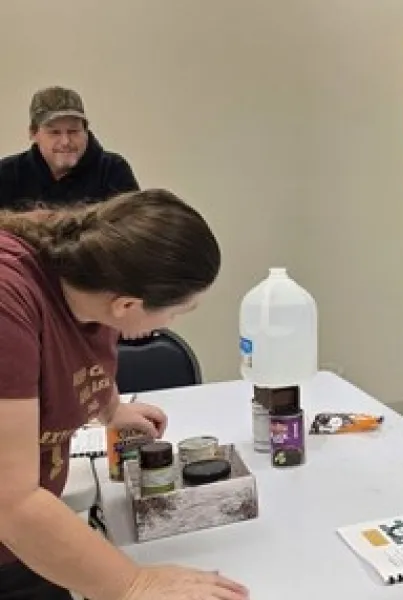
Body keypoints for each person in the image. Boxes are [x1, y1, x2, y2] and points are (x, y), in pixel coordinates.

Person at [0, 190, 248, 599]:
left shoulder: (86, 268)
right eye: (178, 311)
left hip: (24, 539)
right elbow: (10, 500)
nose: (172, 322)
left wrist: (110, 409)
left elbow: (78, 340)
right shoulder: (11, 299)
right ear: (128, 304)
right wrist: (134, 583)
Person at [0, 86, 139, 211]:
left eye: (73, 131)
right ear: (33, 133)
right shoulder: (7, 173)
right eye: (54, 132)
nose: (65, 141)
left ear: (86, 130)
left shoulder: (113, 170)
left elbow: (136, 231)